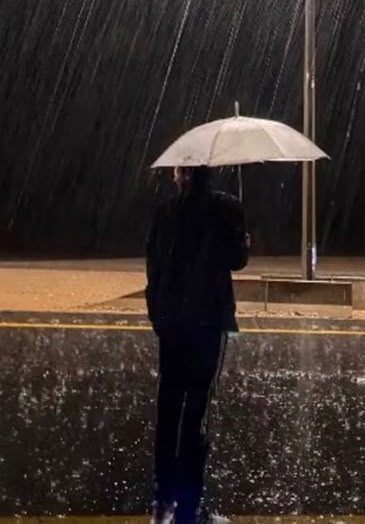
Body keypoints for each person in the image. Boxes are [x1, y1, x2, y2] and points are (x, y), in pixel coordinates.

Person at [146, 164, 249, 524]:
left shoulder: (164, 212)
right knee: (196, 412)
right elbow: (237, 261)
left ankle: (162, 500)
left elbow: (153, 268)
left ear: (180, 174)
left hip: (172, 323)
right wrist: (242, 238)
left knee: (168, 408)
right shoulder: (227, 207)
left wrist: (158, 315)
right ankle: (189, 507)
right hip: (207, 322)